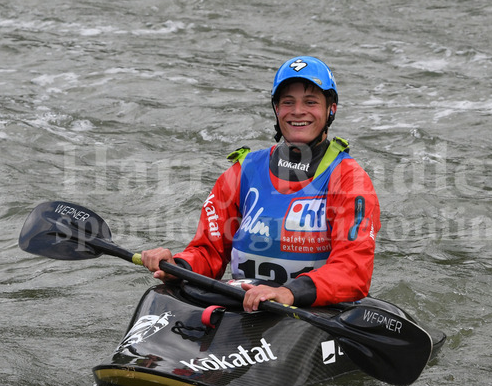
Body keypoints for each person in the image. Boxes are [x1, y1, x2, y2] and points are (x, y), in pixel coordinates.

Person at [141, 56, 380, 312]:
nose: (297, 111)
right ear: (277, 109)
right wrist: (178, 266)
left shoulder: (349, 180)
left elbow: (353, 269)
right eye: (288, 102)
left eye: (310, 102)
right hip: (246, 307)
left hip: (316, 311)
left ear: (331, 109)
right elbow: (208, 251)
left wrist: (288, 293)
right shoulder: (243, 172)